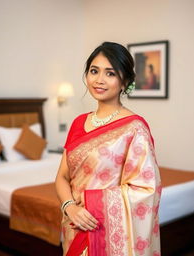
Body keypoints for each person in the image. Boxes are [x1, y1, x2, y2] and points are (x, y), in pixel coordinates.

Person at [55, 42, 162, 256]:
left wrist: (96, 205)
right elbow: (62, 177)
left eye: (110, 73)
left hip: (106, 231)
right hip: (75, 225)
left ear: (125, 82)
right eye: (94, 71)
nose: (99, 80)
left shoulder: (135, 128)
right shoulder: (78, 123)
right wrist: (70, 207)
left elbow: (147, 189)